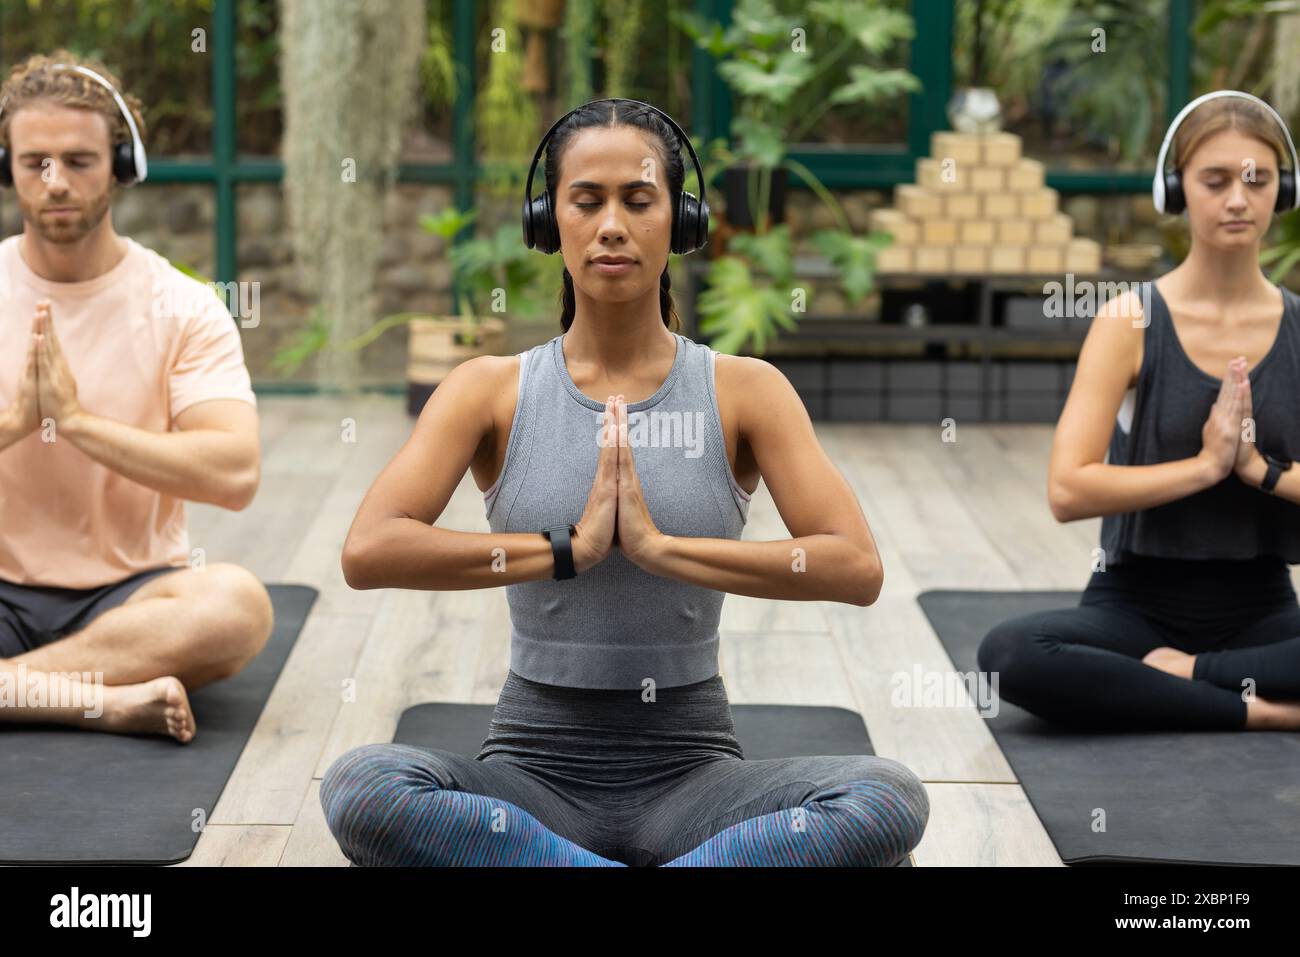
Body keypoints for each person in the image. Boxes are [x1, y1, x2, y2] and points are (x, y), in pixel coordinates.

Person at [319, 98, 930, 867]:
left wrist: (661, 549)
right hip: (531, 775)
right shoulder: (489, 390)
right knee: (365, 786)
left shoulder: (746, 390)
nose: (612, 224)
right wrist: (566, 549)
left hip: (695, 776)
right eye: (587, 200)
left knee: (886, 798)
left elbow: (856, 566)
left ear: (680, 221)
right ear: (550, 223)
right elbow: (369, 549)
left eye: (639, 200)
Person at [978, 91, 1300, 732]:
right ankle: (1257, 710)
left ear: (1282, 191)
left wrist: (1257, 469)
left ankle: (1180, 678)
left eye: (1257, 180)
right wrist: (1207, 466)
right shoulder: (1130, 319)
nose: (1238, 198)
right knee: (1010, 655)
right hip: (1133, 606)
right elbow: (1068, 489)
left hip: (1261, 604)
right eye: (1215, 181)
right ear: (1177, 193)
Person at [0, 51, 273, 743]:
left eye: (79, 160)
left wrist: (77, 422)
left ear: (122, 164)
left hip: (129, 597)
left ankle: (22, 686)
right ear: (6, 167)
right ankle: (88, 697)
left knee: (236, 605)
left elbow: (235, 475)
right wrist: (14, 423)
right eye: (34, 162)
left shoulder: (182, 306)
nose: (55, 181)